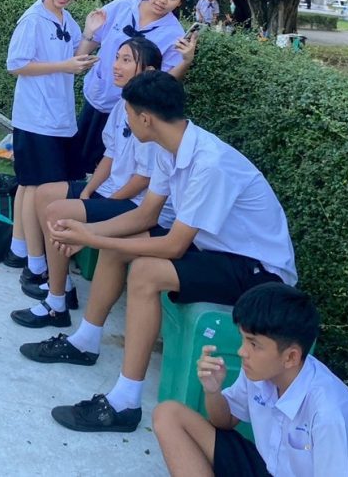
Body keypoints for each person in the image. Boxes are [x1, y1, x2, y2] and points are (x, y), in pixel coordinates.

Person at [22, 71, 297, 435]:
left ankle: (125, 403)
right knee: (123, 246)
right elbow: (146, 215)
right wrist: (87, 234)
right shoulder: (171, 149)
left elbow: (174, 245)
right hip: (217, 251)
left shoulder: (209, 162)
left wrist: (93, 238)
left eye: (128, 114)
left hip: (260, 272)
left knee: (145, 272)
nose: (126, 121)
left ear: (145, 118)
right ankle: (85, 342)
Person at [153, 283, 348, 476]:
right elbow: (225, 421)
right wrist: (212, 391)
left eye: (254, 344)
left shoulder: (328, 414)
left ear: (290, 357)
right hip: (270, 468)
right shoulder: (259, 372)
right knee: (169, 415)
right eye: (243, 339)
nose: (242, 352)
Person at [12, 36, 165, 328]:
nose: (116, 66)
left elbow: (143, 178)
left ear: (148, 72)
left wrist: (103, 203)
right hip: (110, 192)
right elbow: (110, 155)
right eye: (117, 57)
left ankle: (56, 304)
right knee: (46, 194)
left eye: (126, 60)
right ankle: (62, 286)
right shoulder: (123, 104)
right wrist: (90, 191)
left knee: (58, 211)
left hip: (134, 202)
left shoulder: (151, 113)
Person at [3, 0, 98, 310]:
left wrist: (89, 36)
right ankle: (35, 265)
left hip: (60, 119)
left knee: (39, 188)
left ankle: (26, 256)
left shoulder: (66, 19)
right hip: (35, 118)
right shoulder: (33, 19)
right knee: (36, 188)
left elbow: (74, 59)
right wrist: (65, 65)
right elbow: (16, 64)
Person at [74, 0, 198, 178]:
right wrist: (86, 36)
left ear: (180, 3)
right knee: (75, 160)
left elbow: (163, 82)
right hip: (96, 96)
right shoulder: (122, 7)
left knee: (106, 168)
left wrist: (186, 61)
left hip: (128, 110)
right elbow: (88, 45)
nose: (162, 0)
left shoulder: (174, 34)